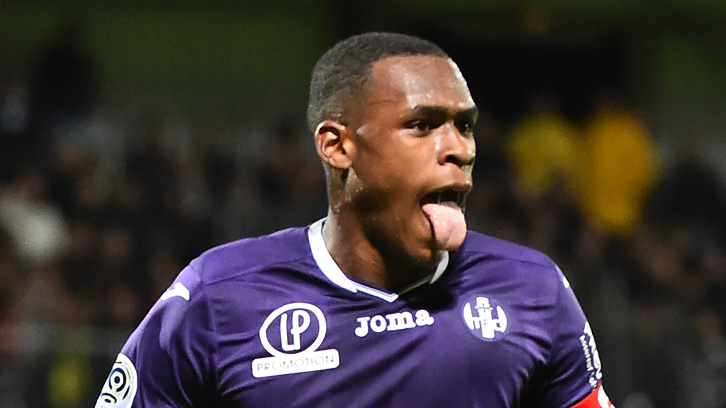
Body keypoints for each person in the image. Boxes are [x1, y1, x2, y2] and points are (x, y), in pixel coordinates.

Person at [95, 32, 615, 408]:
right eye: (422, 125)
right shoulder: (218, 296)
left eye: (466, 126)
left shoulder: (532, 288)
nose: (459, 148)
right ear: (338, 146)